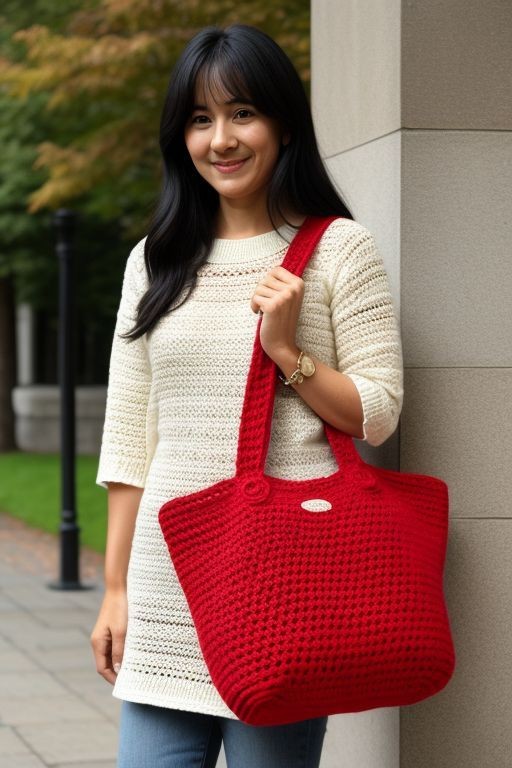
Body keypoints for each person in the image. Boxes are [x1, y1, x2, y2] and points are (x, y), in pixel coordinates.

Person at [90, 22, 404, 768]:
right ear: (181, 138)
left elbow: (379, 414)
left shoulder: (338, 249)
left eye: (241, 113)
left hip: (280, 589)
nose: (221, 139)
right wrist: (113, 588)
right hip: (168, 588)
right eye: (200, 120)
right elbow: (130, 436)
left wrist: (288, 352)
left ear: (283, 123)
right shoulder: (156, 260)